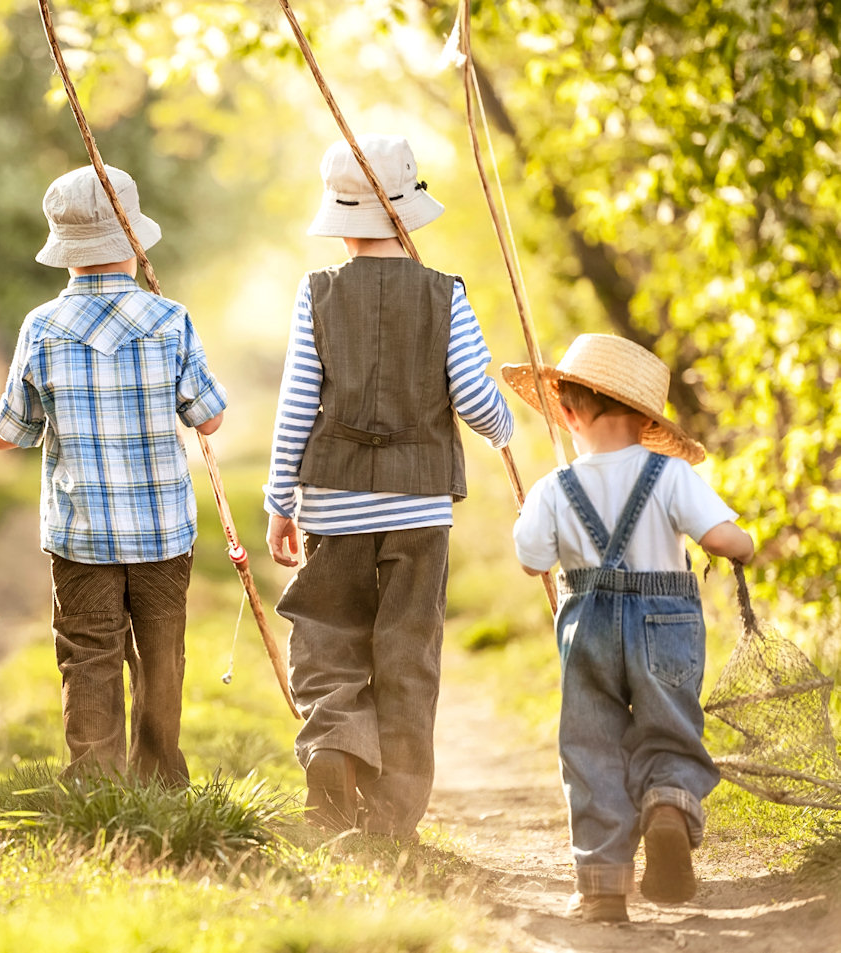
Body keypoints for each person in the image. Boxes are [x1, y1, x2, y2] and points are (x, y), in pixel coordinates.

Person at [0, 164, 227, 786]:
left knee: (89, 653)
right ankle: (160, 779)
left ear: (64, 249)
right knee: (160, 655)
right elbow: (211, 419)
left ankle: (95, 781)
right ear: (134, 241)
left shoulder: (42, 328)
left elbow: (12, 431)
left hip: (80, 533)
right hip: (162, 533)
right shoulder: (170, 319)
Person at [263, 135, 514, 836]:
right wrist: (502, 427)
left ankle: (334, 751)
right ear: (408, 214)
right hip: (419, 506)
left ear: (341, 222)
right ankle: (393, 813)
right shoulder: (444, 295)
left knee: (327, 634)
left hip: (333, 503)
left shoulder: (316, 292)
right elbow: (471, 391)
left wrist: (281, 499)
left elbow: (295, 405)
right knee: (407, 649)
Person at [506, 333, 753, 922]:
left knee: (591, 747)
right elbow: (721, 539)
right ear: (647, 422)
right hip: (663, 625)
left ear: (565, 413)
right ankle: (668, 805)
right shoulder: (670, 476)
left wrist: (532, 517)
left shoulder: (553, 488)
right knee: (669, 727)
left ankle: (602, 889)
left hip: (587, 627)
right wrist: (745, 546)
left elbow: (532, 559)